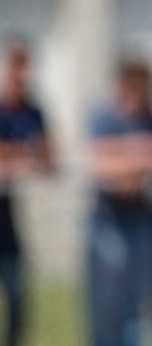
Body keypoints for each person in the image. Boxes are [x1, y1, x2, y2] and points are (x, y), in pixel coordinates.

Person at [88, 58, 152, 346]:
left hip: (144, 219)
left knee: (142, 302)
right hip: (110, 220)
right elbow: (100, 165)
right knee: (107, 304)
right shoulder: (105, 119)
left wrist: (128, 157)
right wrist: (140, 155)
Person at [0, 43, 52, 346]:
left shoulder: (33, 110)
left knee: (18, 296)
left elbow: (48, 157)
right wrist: (24, 153)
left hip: (7, 213)